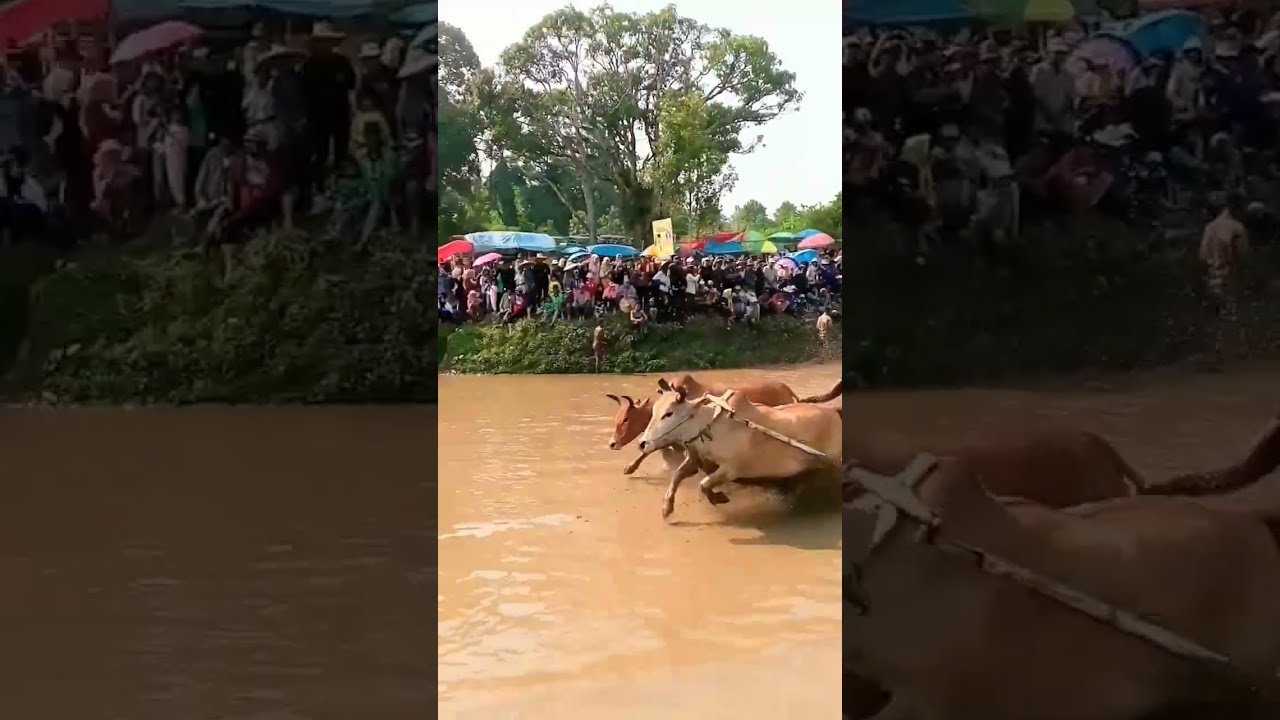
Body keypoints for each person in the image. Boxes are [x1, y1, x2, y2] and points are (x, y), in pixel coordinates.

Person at [1199, 195, 1249, 370]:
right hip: (1228, 272)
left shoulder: (1209, 227)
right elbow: (1242, 253)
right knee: (1232, 311)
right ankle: (1231, 351)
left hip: (1212, 273)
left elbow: (1203, 255)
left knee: (1215, 313)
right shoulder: (1236, 227)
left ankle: (1214, 352)